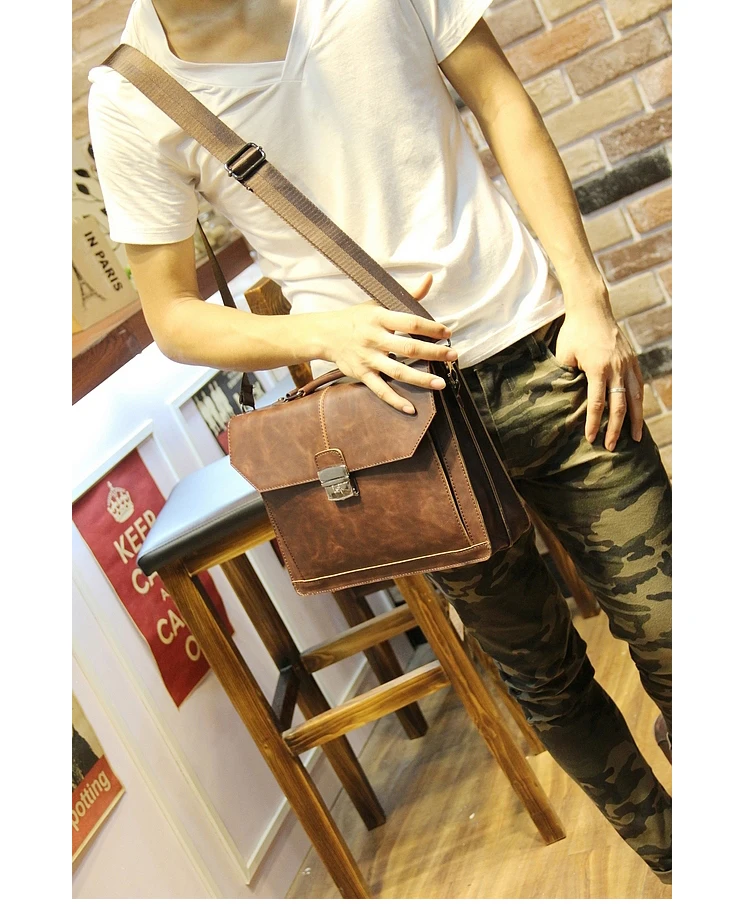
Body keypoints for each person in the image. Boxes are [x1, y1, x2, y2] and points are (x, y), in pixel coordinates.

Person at [87, 0, 672, 885]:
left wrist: (587, 299)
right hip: (399, 426)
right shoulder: (135, 92)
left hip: (543, 349)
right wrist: (324, 334)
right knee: (543, 678)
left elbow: (500, 99)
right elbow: (170, 312)